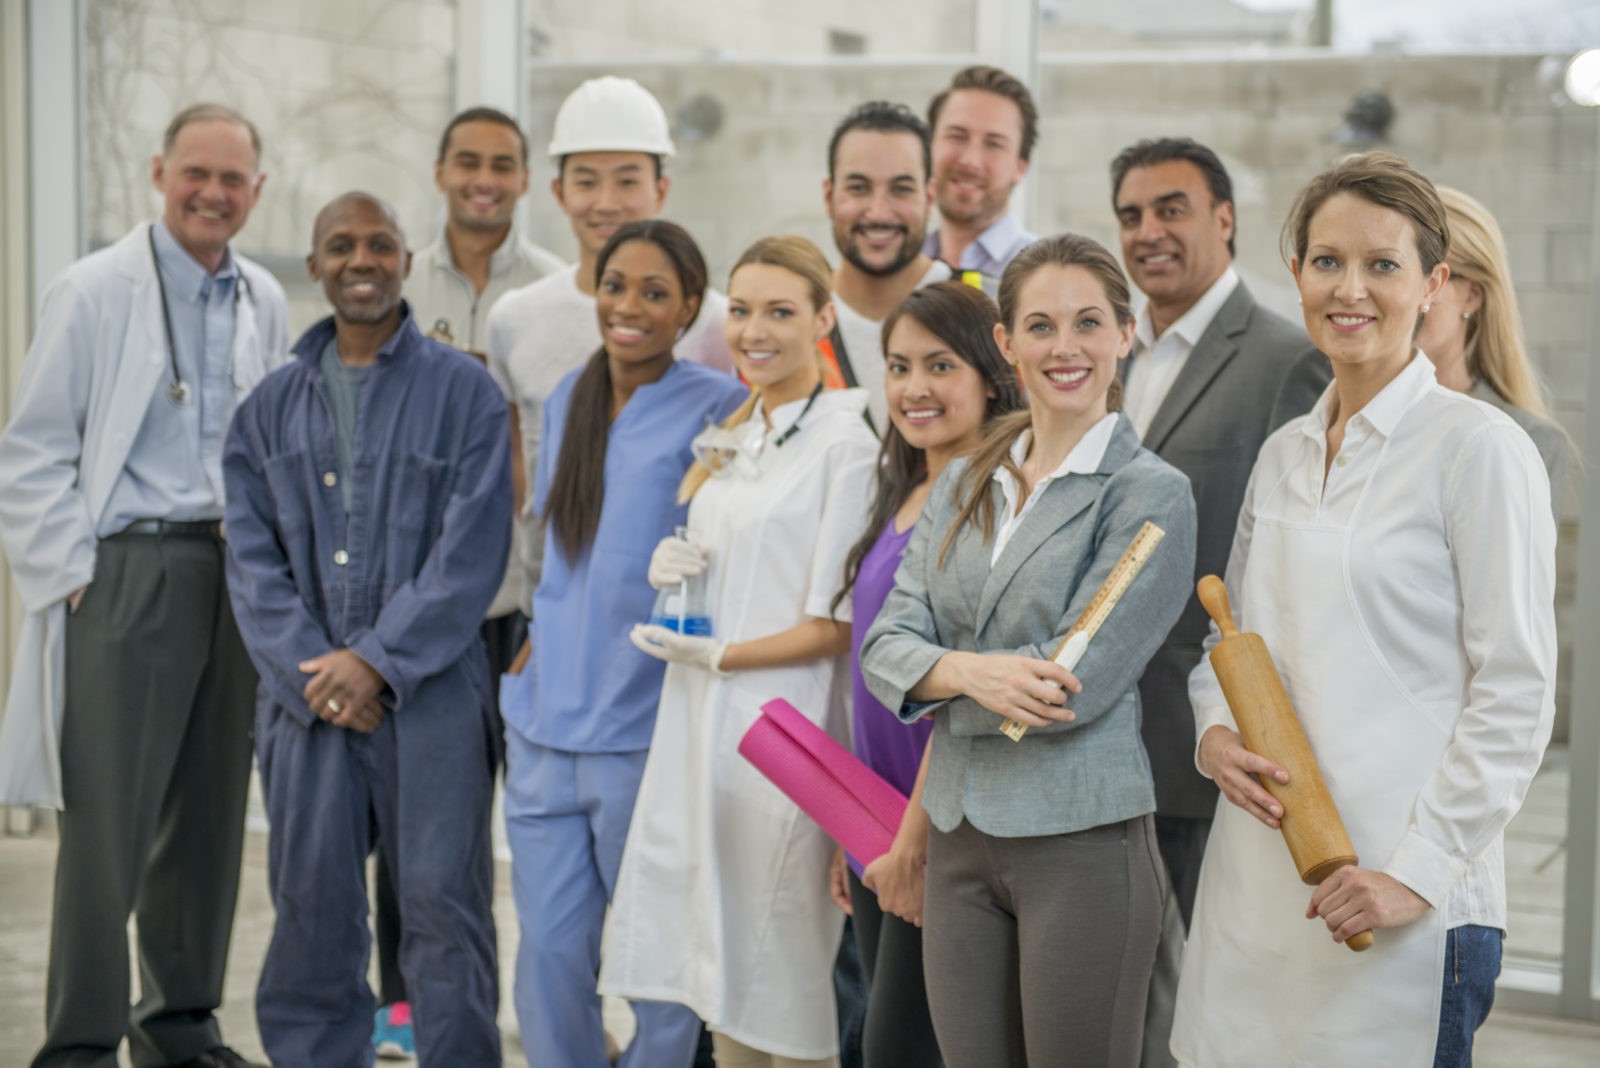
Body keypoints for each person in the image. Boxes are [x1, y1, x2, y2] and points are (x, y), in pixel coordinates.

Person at [1171, 152, 1557, 1067]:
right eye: (1326, 261)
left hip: (1400, 906)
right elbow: (1225, 646)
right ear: (1297, 273)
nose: (1351, 288)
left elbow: (1515, 695)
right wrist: (1214, 735)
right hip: (1253, 898)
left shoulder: (1479, 450)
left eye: (1382, 264)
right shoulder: (1285, 455)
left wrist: (1413, 877)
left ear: (1434, 284)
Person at [860, 233, 1198, 1067]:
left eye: (1089, 322)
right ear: (1007, 345)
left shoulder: (1151, 493)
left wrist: (936, 677)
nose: (1066, 347)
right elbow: (882, 646)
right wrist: (973, 671)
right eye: (1040, 326)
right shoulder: (965, 478)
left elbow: (1066, 687)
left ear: (1126, 334)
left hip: (1081, 841)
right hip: (960, 835)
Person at [0, 103, 286, 1068]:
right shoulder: (91, 291)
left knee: (208, 814)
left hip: (232, 572)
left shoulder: (263, 298)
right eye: (196, 173)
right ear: (160, 172)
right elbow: (31, 450)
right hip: (129, 573)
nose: (213, 193)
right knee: (106, 827)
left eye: (233, 180)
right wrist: (75, 577)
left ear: (257, 191)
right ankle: (79, 1043)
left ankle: (179, 1026)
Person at [224, 192, 511, 1066]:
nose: (361, 259)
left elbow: (471, 555)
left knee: (442, 908)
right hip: (305, 698)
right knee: (312, 906)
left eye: (379, 244)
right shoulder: (265, 410)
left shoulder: (467, 395)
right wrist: (322, 671)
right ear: (313, 266)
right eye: (340, 245)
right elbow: (251, 559)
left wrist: (377, 663)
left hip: (429, 699)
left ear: (406, 262)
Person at [600, 235, 879, 1068]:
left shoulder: (846, 446)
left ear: (824, 319)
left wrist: (723, 656)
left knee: (781, 977)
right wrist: (674, 581)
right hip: (701, 728)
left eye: (781, 312)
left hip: (784, 736)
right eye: (744, 310)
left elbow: (836, 622)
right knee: (717, 975)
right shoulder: (734, 429)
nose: (755, 331)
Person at [501, 219, 747, 1068]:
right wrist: (536, 632)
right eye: (616, 287)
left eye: (655, 293)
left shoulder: (717, 407)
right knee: (549, 954)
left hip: (642, 727)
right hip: (544, 722)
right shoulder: (570, 391)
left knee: (656, 954)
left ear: (687, 311)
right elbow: (561, 544)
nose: (629, 308)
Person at [367, 104, 563, 1059]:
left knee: (535, 824)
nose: (485, 179)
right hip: (431, 605)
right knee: (420, 827)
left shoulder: (561, 293)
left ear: (527, 181)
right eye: (468, 163)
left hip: (525, 601)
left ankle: (547, 999)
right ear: (442, 172)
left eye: (504, 165)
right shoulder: (398, 282)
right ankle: (403, 1009)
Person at [827, 280, 1025, 1067]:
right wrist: (853, 836)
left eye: (939, 365)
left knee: (900, 1051)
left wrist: (909, 848)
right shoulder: (907, 485)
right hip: (876, 824)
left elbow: (965, 695)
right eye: (899, 366)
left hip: (937, 827)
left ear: (989, 373)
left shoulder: (989, 497)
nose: (914, 388)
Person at [487, 76, 733, 604]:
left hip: (678, 603)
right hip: (549, 595)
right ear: (557, 191)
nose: (606, 202)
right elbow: (517, 468)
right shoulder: (516, 317)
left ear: (660, 189)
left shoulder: (716, 323)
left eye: (626, 181)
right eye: (586, 181)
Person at [1415, 185, 1569, 511]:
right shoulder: (1336, 419)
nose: (1405, 294)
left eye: (1427, 275)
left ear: (1471, 296)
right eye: (1390, 268)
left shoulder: (1528, 440)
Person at [824, 101, 955, 429]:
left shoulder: (987, 307)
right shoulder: (794, 318)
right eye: (858, 188)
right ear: (829, 197)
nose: (879, 212)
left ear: (929, 196)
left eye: (901, 189)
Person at [922, 65, 1038, 277]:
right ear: (929, 147)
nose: (970, 160)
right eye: (957, 136)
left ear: (1021, 168)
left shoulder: (1041, 274)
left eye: (994, 144)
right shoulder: (902, 267)